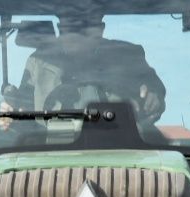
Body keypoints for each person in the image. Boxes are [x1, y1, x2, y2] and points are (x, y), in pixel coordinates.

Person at [14, 12, 166, 122]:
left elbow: (154, 91)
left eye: (84, 26)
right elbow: (21, 110)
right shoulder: (39, 61)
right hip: (47, 152)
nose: (76, 34)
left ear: (100, 29)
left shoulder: (127, 56)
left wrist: (153, 97)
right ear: (61, 28)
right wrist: (9, 114)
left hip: (121, 149)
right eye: (70, 26)